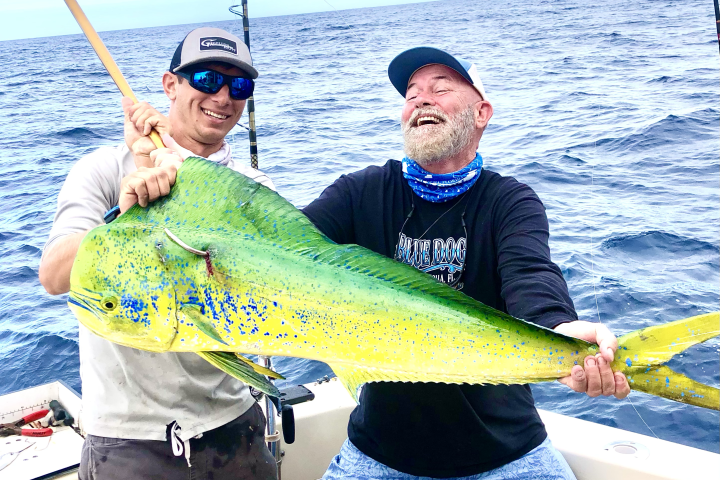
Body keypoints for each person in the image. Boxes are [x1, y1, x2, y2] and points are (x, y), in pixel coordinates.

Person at [302, 47, 631, 480]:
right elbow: (283, 244)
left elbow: (529, 272)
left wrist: (558, 330)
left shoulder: (509, 201)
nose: (421, 100)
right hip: (378, 455)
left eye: (440, 89)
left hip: (508, 456)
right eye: (411, 94)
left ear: (481, 113)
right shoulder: (358, 193)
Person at [39, 27, 277, 480]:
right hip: (129, 443)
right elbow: (53, 276)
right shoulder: (104, 170)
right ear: (171, 85)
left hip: (235, 428)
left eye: (239, 86)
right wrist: (124, 214)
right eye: (207, 80)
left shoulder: (254, 191)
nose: (224, 97)